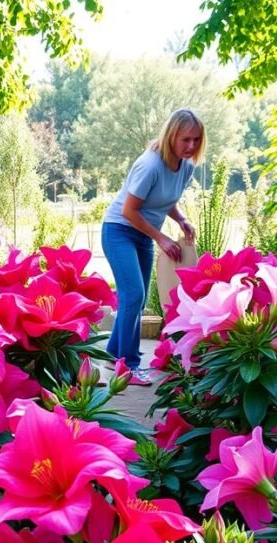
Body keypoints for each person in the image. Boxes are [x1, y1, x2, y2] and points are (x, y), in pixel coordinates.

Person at [101, 108, 204, 385]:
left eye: (196, 139)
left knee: (139, 299)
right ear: (171, 136)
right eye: (185, 140)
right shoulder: (150, 164)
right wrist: (161, 237)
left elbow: (166, 198)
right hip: (119, 232)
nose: (191, 146)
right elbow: (129, 210)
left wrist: (181, 220)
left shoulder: (186, 166)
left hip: (142, 235)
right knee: (133, 295)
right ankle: (128, 367)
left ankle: (114, 353)